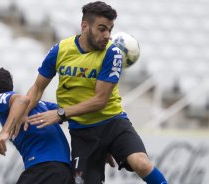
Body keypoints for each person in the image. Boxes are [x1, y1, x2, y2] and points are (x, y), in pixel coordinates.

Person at [23, 1, 168, 184]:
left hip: (112, 123)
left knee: (141, 163)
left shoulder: (113, 53)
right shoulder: (60, 50)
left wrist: (61, 113)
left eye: (110, 29)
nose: (107, 35)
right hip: (82, 132)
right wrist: (22, 113)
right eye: (102, 29)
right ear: (85, 26)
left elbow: (100, 100)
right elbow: (37, 88)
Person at [0, 67, 73, 184]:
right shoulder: (40, 104)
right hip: (64, 171)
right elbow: (72, 112)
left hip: (44, 168)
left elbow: (21, 99)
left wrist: (5, 132)